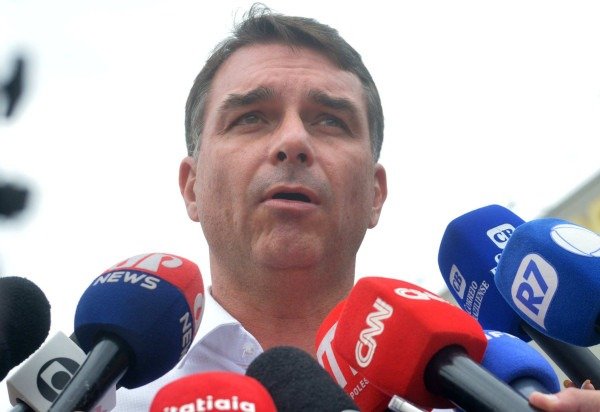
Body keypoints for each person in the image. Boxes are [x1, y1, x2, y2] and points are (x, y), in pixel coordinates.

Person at [115, 3, 387, 410]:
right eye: (251, 118)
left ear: (375, 194)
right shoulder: (105, 396)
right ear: (192, 187)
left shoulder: (455, 392)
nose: (293, 141)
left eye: (330, 121)